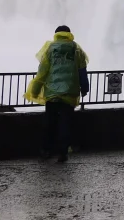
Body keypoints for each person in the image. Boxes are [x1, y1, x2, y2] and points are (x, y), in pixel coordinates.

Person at [25, 25, 89, 163]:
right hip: (69, 92)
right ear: (69, 34)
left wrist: (35, 90)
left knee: (49, 122)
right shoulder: (76, 49)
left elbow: (42, 72)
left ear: (56, 35)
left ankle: (45, 151)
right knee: (65, 123)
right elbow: (82, 71)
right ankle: (62, 153)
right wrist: (85, 88)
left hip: (52, 93)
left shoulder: (50, 49)